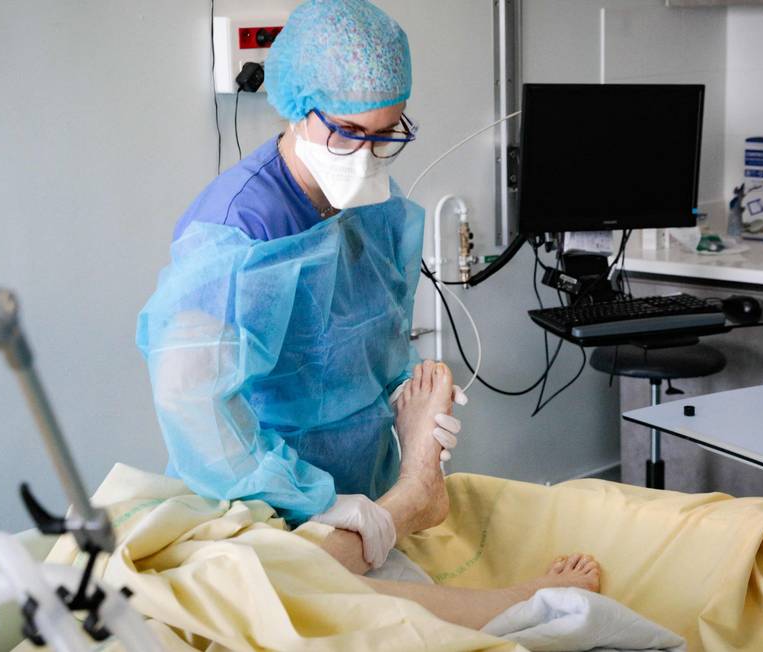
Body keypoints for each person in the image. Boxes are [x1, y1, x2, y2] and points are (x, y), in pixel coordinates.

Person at [138, 0, 601, 605]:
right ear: (299, 107)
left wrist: (415, 390)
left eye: (388, 134)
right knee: (281, 593)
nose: (368, 153)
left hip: (365, 486)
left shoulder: (374, 205)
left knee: (344, 597)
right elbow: (193, 406)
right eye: (349, 131)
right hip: (265, 501)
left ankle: (407, 506)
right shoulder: (240, 229)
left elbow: (371, 339)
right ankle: (472, 561)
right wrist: (315, 498)